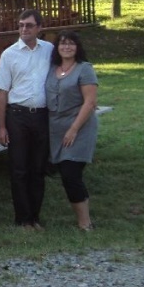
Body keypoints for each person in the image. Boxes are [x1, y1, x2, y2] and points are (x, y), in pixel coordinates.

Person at [0, 9, 53, 230]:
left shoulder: (49, 51)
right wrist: (1, 127)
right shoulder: (9, 54)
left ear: (39, 28)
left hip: (42, 116)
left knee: (38, 169)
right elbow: (1, 92)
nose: (24, 29)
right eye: (21, 25)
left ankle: (35, 217)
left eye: (29, 25)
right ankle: (22, 219)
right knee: (19, 170)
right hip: (17, 116)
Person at [45, 30, 99, 231]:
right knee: (63, 172)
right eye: (62, 43)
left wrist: (74, 129)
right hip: (56, 128)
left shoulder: (84, 69)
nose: (66, 47)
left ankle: (85, 223)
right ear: (57, 47)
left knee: (71, 174)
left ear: (77, 47)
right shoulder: (52, 69)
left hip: (79, 127)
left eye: (71, 44)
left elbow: (90, 101)